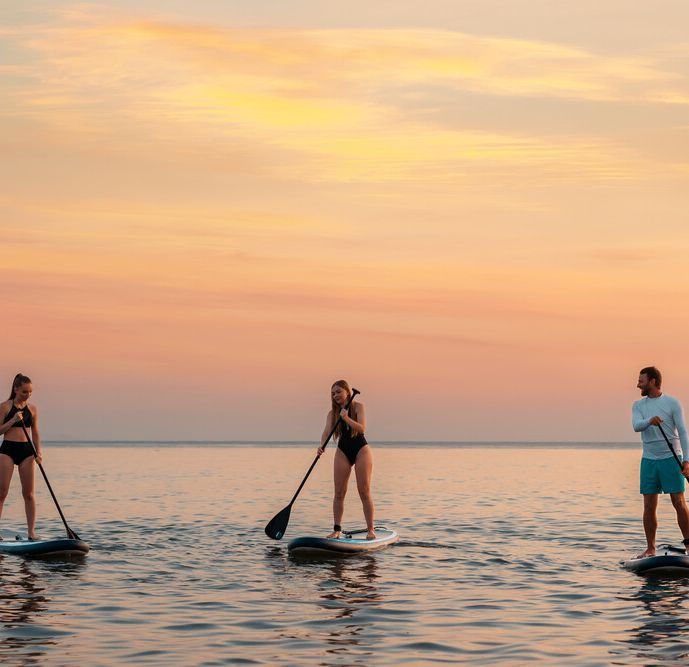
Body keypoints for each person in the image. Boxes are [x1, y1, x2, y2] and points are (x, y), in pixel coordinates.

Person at [632, 366, 689, 557]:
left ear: (653, 381)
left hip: (671, 459)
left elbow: (682, 431)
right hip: (649, 460)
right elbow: (636, 426)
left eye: (641, 380)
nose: (638, 383)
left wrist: (687, 460)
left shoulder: (672, 403)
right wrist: (650, 420)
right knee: (649, 505)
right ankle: (650, 548)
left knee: (678, 502)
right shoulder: (638, 405)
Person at [317, 380, 375, 539]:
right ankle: (337, 529)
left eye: (338, 392)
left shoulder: (358, 407)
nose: (335, 395)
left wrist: (347, 418)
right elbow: (326, 432)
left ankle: (371, 530)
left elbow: (362, 428)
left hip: (361, 449)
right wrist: (321, 445)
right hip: (343, 450)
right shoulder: (332, 414)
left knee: (364, 491)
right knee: (339, 493)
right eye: (332, 393)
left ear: (347, 392)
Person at [0, 373, 42, 540]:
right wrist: (12, 421)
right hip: (8, 450)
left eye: (30, 392)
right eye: (25, 391)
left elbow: (36, 433)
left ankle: (31, 532)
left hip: (27, 451)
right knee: (2, 492)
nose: (28, 395)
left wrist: (38, 452)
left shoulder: (32, 409)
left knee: (29, 494)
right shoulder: (4, 407)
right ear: (16, 389)